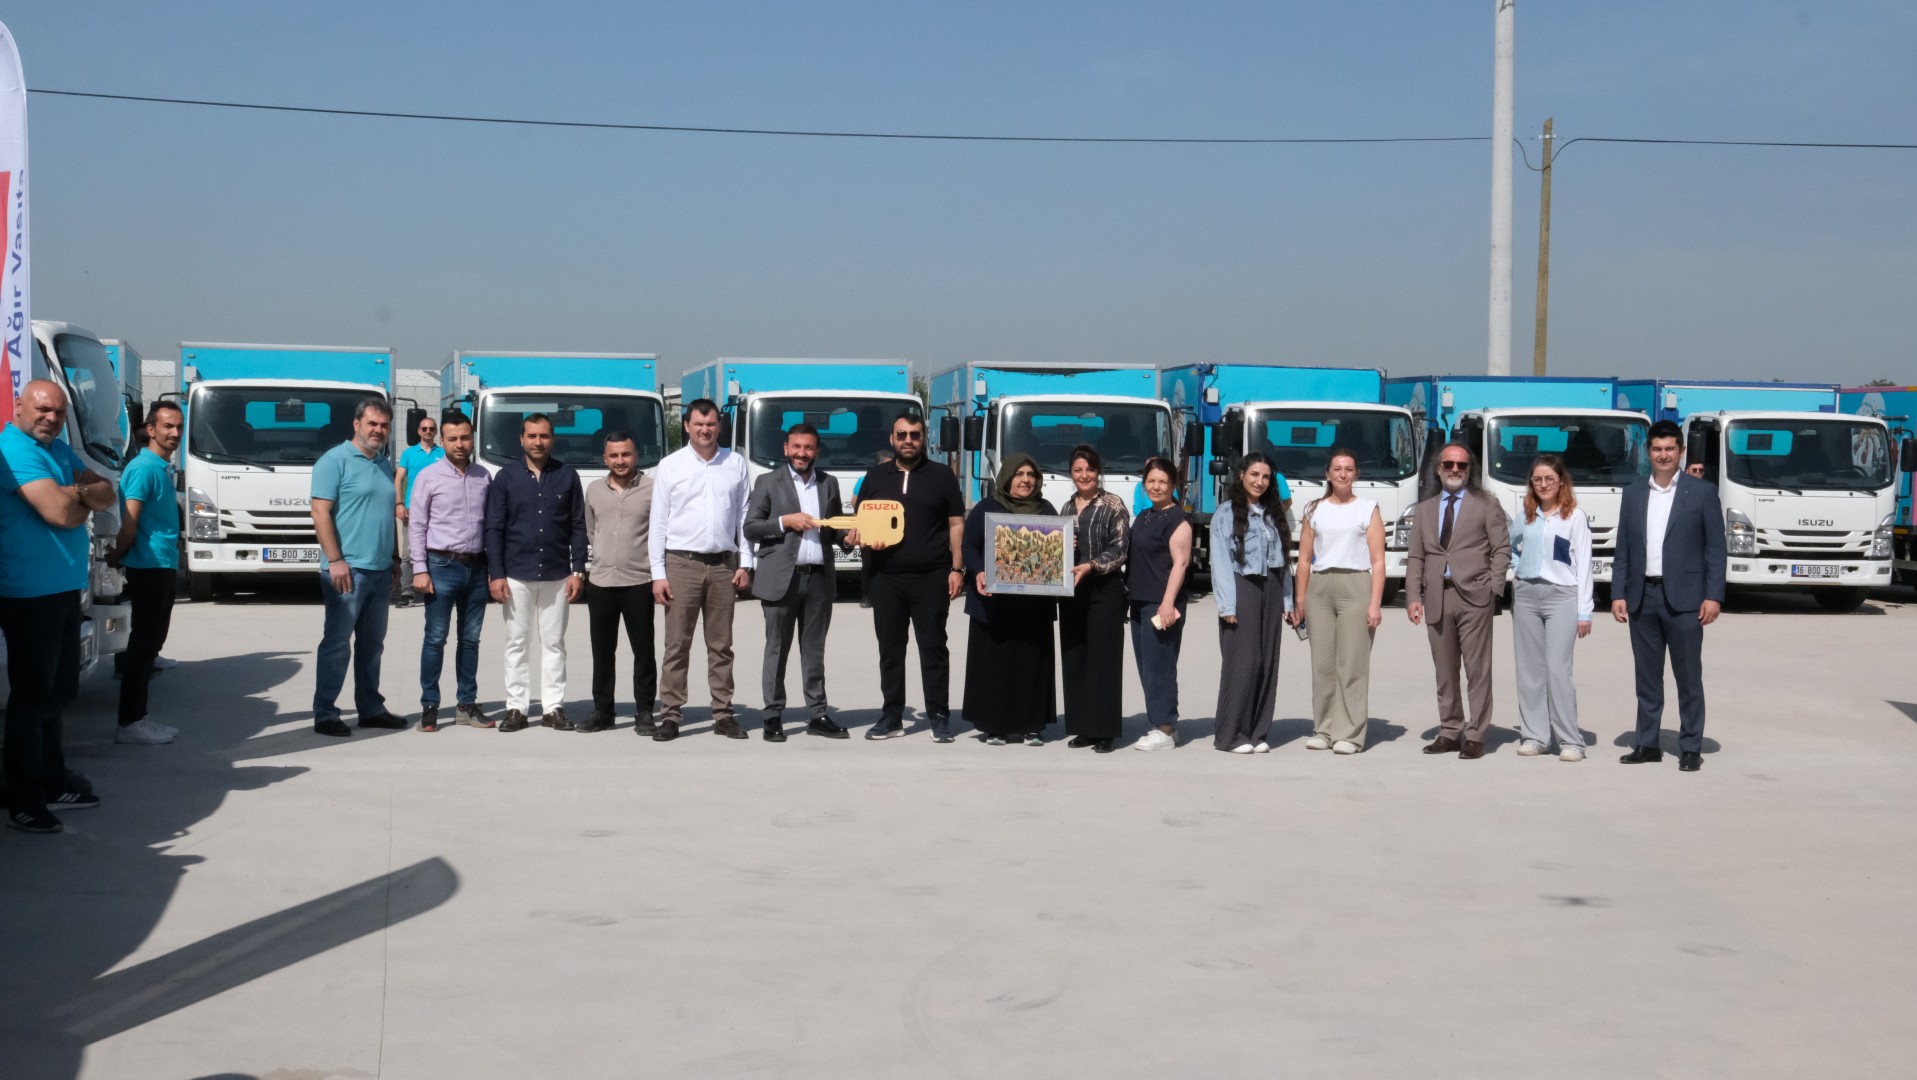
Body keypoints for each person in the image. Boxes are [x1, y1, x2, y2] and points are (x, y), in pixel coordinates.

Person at [0, 381, 116, 832]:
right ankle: (24, 799)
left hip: (64, 591)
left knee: (60, 692)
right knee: (32, 700)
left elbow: (107, 491)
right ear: (19, 407)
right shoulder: (13, 450)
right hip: (29, 594)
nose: (51, 418)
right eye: (43, 409)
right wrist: (79, 495)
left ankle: (52, 781)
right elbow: (60, 514)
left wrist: (76, 492)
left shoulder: (58, 450)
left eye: (59, 412)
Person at [1613, 419, 1726, 772]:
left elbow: (1716, 549)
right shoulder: (1633, 493)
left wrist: (1713, 595)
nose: (1663, 455)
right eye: (1657, 449)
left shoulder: (1702, 492)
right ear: (1648, 452)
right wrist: (1618, 593)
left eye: (1670, 449)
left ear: (1681, 452)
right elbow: (1623, 548)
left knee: (1688, 677)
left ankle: (1690, 746)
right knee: (1647, 678)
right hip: (1642, 596)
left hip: (1686, 600)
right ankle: (1647, 743)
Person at [855, 412, 965, 741]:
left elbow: (956, 524)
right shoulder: (875, 476)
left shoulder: (942, 476)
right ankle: (891, 716)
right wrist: (858, 537)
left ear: (924, 439)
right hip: (886, 577)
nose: (908, 440)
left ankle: (939, 715)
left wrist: (956, 568)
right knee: (890, 650)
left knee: (933, 647)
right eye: (901, 434)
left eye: (915, 435)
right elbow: (861, 522)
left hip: (931, 576)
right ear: (892, 439)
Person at [648, 399, 752, 742]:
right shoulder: (670, 466)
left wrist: (746, 562)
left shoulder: (735, 464)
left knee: (721, 645)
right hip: (682, 564)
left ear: (719, 426)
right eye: (698, 424)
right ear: (687, 426)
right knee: (677, 644)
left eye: (710, 424)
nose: (704, 430)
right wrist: (658, 574)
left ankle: (723, 714)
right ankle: (671, 715)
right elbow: (658, 523)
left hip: (723, 565)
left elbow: (744, 517)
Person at [744, 423, 851, 741]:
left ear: (817, 450)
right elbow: (751, 527)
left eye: (808, 447)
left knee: (814, 650)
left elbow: (834, 529)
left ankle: (817, 714)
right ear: (786, 449)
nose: (801, 453)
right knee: (776, 649)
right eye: (796, 447)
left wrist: (848, 538)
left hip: (818, 578)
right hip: (781, 578)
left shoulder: (828, 484)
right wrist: (784, 521)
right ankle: (772, 715)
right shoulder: (768, 482)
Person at [310, 397, 407, 738]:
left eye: (384, 425)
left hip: (379, 571)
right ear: (357, 424)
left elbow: (385, 515)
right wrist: (335, 561)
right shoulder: (333, 461)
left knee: (372, 645)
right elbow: (319, 513)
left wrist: (394, 559)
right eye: (372, 424)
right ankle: (325, 713)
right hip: (347, 571)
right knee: (337, 644)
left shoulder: (382, 463)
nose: (378, 430)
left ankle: (371, 709)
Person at [1406, 442, 1511, 760]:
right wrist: (1413, 596)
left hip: (1475, 597)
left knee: (1478, 670)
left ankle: (1476, 734)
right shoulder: (1424, 509)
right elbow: (1416, 556)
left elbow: (1502, 549)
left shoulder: (1486, 504)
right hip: (1437, 596)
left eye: (1461, 465)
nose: (1455, 470)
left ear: (1469, 470)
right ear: (1438, 469)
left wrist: (1493, 588)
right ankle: (1450, 730)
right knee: (1444, 670)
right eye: (1449, 465)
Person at [485, 413, 587, 732]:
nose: (538, 442)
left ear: (552, 439)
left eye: (544, 436)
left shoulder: (567, 476)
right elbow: (494, 528)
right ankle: (516, 708)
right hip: (516, 573)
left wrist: (578, 570)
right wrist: (496, 574)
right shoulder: (505, 478)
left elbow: (578, 526)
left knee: (554, 643)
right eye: (532, 436)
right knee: (517, 642)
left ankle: (553, 707)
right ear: (521, 439)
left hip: (557, 575)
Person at [1292, 448, 1386, 755]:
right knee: (1322, 664)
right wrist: (1300, 600)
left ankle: (1350, 733)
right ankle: (1324, 728)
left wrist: (1375, 603)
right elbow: (1304, 559)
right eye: (1337, 469)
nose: (1343, 474)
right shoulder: (1314, 509)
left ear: (1356, 474)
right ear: (1328, 474)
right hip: (1320, 587)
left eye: (1348, 469)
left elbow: (1378, 560)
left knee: (1352, 662)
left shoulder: (1368, 508)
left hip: (1355, 585)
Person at [962, 455, 1059, 746]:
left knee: (1031, 665)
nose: (1026, 479)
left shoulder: (1046, 509)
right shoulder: (987, 508)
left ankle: (1032, 726)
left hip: (1033, 607)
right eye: (1019, 474)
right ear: (1006, 477)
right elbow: (969, 546)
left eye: (1030, 474)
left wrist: (1067, 545)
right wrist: (979, 572)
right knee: (995, 666)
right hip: (994, 605)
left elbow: (1058, 549)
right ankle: (995, 726)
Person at [408, 411, 493, 732]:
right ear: (442, 441)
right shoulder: (428, 477)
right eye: (453, 439)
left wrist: (493, 569)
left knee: (470, 640)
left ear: (473, 439)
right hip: (440, 566)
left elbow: (491, 526)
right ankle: (429, 706)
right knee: (435, 639)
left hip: (477, 567)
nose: (460, 444)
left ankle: (466, 705)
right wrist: (419, 569)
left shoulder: (484, 476)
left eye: (465, 437)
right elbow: (417, 525)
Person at [109, 401, 186, 746]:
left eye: (179, 427)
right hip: (148, 566)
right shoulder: (143, 468)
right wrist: (116, 555)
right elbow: (130, 523)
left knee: (150, 645)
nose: (174, 433)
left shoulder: (161, 467)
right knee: (141, 648)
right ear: (150, 430)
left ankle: (139, 716)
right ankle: (130, 722)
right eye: (167, 426)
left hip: (162, 564)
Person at [1509, 454, 1594, 762]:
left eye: (1549, 479)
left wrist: (1584, 611)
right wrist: (1518, 571)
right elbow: (1511, 546)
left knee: (1558, 669)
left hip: (1562, 596)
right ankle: (1535, 736)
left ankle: (1570, 740)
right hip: (1527, 596)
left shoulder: (1574, 517)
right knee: (1529, 670)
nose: (1543, 484)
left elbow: (1583, 563)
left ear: (1561, 482)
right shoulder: (1526, 515)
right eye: (1537, 480)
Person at [1210, 452, 1292, 754]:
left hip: (1271, 588)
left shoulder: (1273, 512)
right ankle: (1230, 735)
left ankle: (1257, 732)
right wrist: (1227, 605)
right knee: (1245, 662)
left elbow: (1284, 562)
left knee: (1267, 662)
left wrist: (1288, 600)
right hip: (1242, 586)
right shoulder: (1226, 513)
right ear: (1241, 474)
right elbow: (1220, 561)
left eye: (1266, 477)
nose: (1260, 481)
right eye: (1254, 475)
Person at [583, 431, 658, 734]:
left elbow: (659, 532)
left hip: (639, 581)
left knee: (644, 651)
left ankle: (645, 710)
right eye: (613, 455)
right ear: (605, 459)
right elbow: (591, 531)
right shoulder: (594, 490)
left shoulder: (652, 489)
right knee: (602, 651)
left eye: (626, 454)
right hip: (601, 582)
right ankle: (603, 711)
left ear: (636, 456)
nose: (620, 460)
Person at [1058, 445, 1131, 753]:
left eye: (1089, 469)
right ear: (1071, 473)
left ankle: (1105, 731)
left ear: (1098, 471)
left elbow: (1120, 547)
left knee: (1104, 660)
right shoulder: (1065, 508)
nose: (1084, 475)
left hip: (1104, 588)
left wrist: (1091, 565)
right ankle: (1083, 728)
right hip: (1072, 591)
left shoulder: (1113, 504)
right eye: (1078, 470)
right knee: (1075, 658)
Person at [1127, 457, 1191, 751]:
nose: (1156, 487)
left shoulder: (1178, 520)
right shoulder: (1144, 516)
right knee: (1146, 666)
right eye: (1151, 481)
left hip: (1161, 603)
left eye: (1163, 482)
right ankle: (1164, 724)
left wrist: (1167, 603)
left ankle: (1164, 728)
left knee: (1160, 666)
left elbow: (1181, 563)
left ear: (1173, 485)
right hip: (1139, 600)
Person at [392, 416, 443, 607]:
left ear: (436, 431)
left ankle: (438, 590)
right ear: (419, 431)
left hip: (438, 509)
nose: (428, 431)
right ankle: (407, 593)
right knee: (408, 553)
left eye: (432, 428)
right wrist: (399, 503)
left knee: (438, 551)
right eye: (424, 428)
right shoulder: (409, 453)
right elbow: (398, 479)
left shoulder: (443, 453)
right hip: (413, 509)